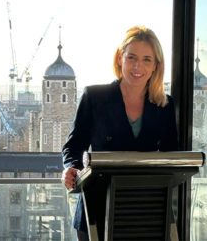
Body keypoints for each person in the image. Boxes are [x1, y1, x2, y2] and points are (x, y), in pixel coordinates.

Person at [61, 26, 179, 240]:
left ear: (156, 66)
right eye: (131, 57)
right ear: (119, 59)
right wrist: (71, 169)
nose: (137, 66)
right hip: (95, 212)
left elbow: (172, 156)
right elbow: (74, 146)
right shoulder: (94, 97)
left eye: (147, 60)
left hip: (146, 211)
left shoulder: (165, 105)